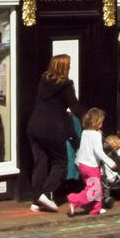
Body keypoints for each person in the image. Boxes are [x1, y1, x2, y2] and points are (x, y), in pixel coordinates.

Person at [26, 53, 84, 213]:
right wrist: (90, 121)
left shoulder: (43, 81)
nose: (70, 68)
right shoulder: (65, 85)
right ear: (64, 68)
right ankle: (45, 194)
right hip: (52, 130)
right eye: (69, 65)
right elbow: (76, 108)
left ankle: (36, 201)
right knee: (61, 162)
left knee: (40, 162)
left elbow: (51, 104)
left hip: (34, 127)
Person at [66, 108, 118, 217]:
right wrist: (111, 162)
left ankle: (96, 208)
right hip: (91, 166)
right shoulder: (96, 135)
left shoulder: (85, 132)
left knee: (96, 186)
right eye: (101, 121)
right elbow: (98, 151)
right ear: (96, 122)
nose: (102, 124)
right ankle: (74, 200)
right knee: (93, 190)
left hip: (82, 164)